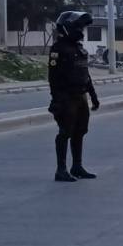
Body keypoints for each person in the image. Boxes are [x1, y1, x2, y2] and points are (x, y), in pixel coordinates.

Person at [48, 11, 100, 182]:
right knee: (65, 132)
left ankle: (77, 166)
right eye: (78, 27)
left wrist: (93, 96)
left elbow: (86, 74)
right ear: (68, 27)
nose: (81, 30)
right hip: (66, 96)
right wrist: (56, 100)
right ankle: (60, 169)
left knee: (80, 131)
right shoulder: (58, 49)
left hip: (81, 96)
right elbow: (53, 78)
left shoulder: (80, 49)